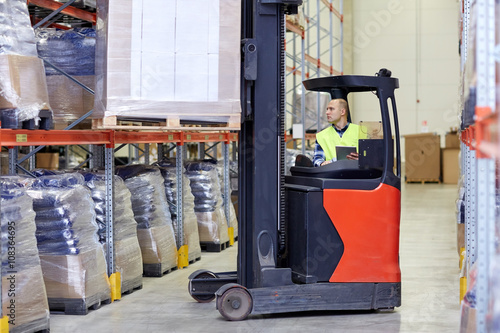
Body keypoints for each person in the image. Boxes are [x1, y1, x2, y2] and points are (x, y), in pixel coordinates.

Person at [313, 98, 360, 167]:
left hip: (358, 175)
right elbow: (317, 159)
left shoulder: (362, 131)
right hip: (332, 175)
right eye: (327, 109)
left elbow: (371, 157)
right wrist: (322, 163)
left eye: (331, 109)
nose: (327, 112)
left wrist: (361, 159)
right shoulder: (321, 136)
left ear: (342, 112)